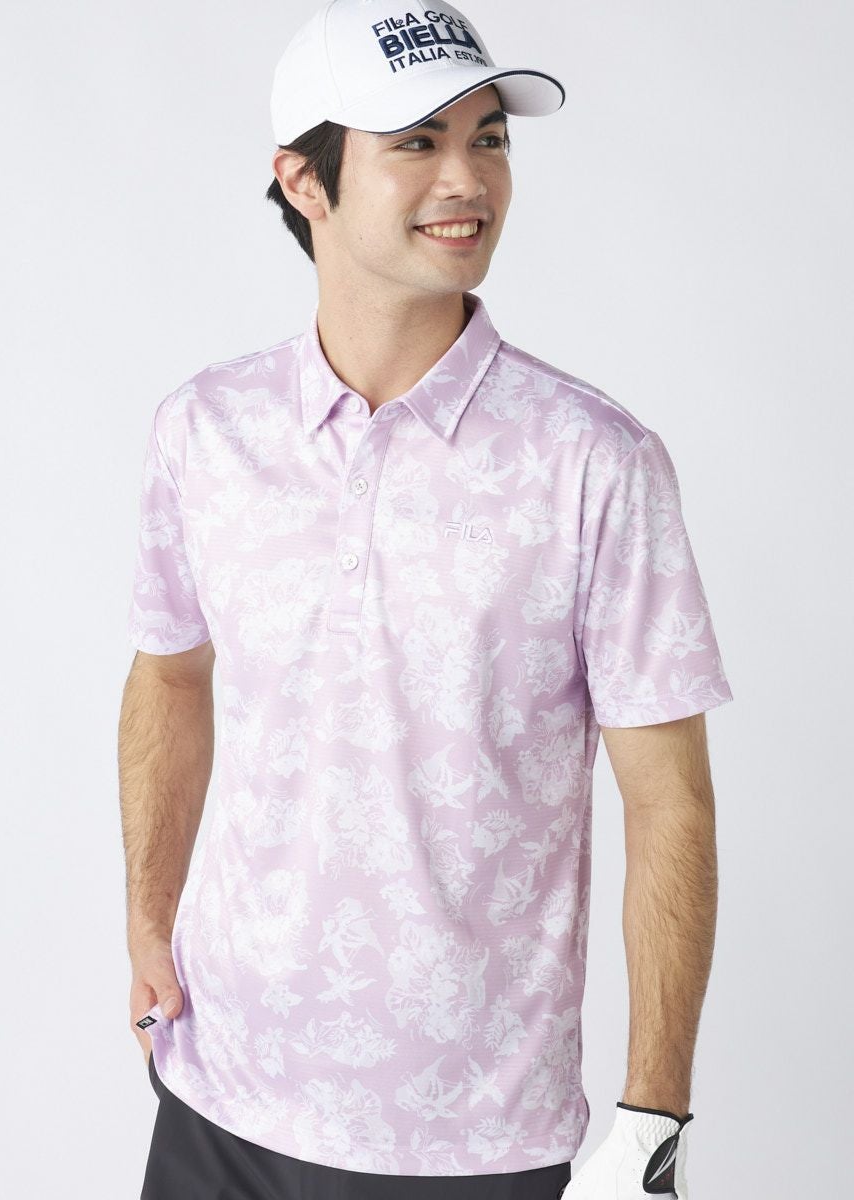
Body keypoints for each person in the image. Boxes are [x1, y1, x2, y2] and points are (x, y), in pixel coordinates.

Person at [118, 2, 732, 1196]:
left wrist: (651, 1118)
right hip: (218, 1089)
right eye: (416, 142)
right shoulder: (205, 431)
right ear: (303, 180)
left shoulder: (593, 462)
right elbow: (168, 675)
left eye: (487, 138)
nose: (468, 179)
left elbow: (669, 804)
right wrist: (149, 919)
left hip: (468, 1140)